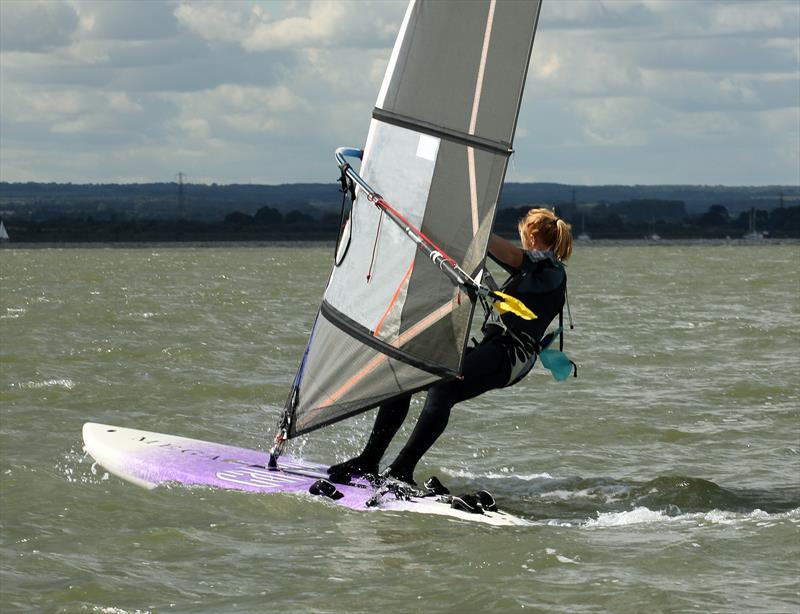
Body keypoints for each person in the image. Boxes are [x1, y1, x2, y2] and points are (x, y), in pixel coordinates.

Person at [327, 207, 574, 486]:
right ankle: (370, 459)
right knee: (409, 372)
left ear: (532, 236)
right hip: (495, 349)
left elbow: (505, 253)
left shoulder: (549, 269)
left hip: (510, 357)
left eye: (524, 237)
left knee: (444, 388)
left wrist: (472, 221)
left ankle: (401, 469)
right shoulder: (536, 267)